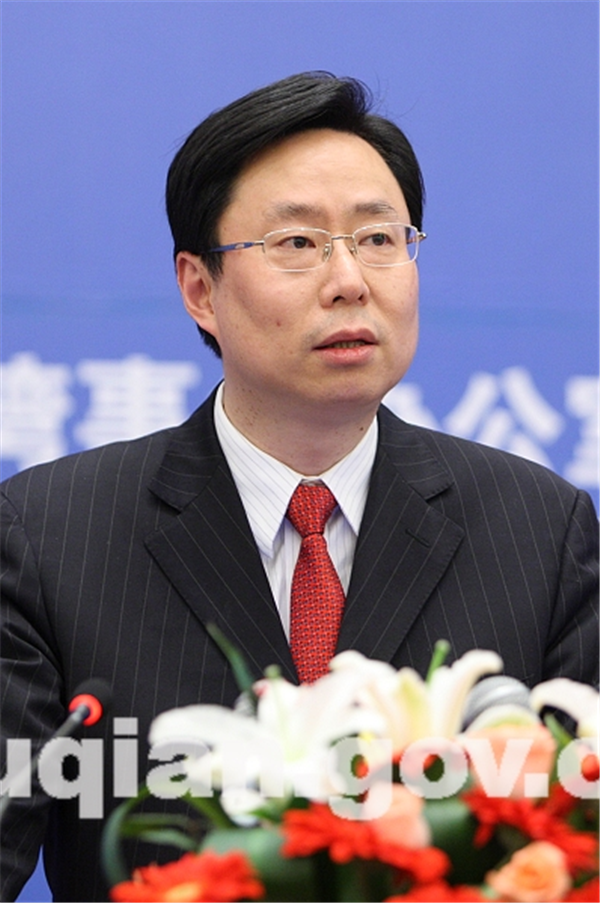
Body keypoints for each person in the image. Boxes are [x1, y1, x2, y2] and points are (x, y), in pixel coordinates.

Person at [1, 71, 598, 902]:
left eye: (380, 237)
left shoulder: (540, 530)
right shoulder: (50, 534)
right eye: (297, 243)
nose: (350, 278)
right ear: (200, 289)